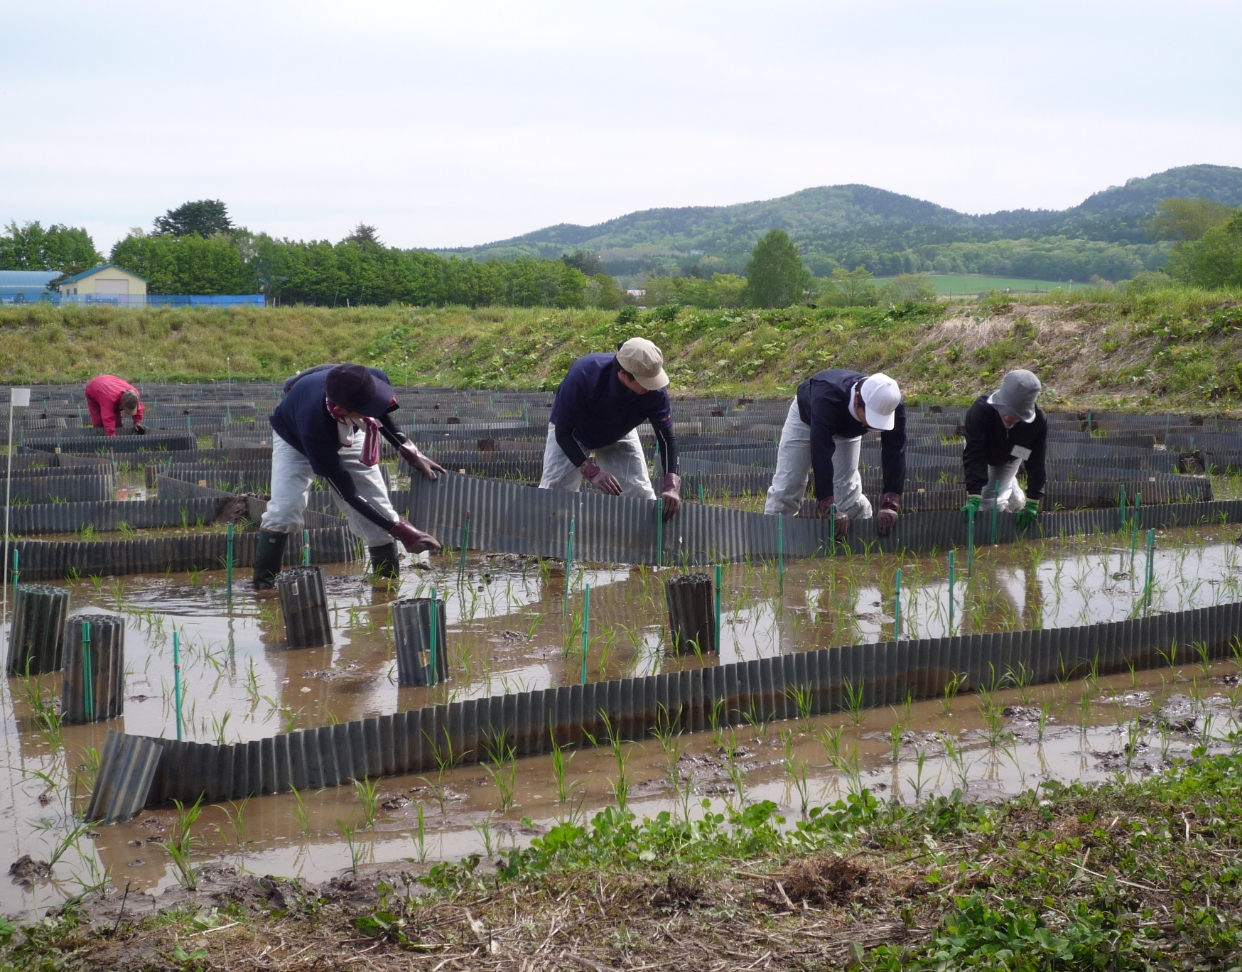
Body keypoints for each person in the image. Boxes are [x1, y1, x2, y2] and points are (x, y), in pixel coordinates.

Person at [253, 363, 444, 590]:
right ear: (343, 409)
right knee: (284, 510)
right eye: (366, 408)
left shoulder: (368, 379)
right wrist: (401, 531)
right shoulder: (313, 426)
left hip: (351, 428)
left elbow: (379, 412)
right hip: (295, 439)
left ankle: (386, 587)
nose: (374, 407)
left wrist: (410, 451)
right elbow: (347, 492)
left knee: (378, 505)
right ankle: (264, 587)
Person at [538, 337, 681, 519]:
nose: (651, 386)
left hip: (618, 432)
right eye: (644, 381)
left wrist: (672, 483)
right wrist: (591, 470)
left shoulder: (655, 391)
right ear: (623, 373)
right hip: (574, 432)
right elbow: (563, 433)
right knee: (555, 496)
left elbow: (667, 438)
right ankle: (553, 544)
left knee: (638, 492)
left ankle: (644, 545)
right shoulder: (583, 375)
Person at [764, 369, 905, 539]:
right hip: (806, 419)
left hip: (847, 432)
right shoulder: (827, 396)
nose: (870, 425)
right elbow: (820, 451)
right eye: (869, 417)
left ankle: (865, 537)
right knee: (788, 484)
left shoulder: (890, 403)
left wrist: (891, 502)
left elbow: (895, 450)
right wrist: (826, 504)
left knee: (846, 493)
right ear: (857, 398)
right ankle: (771, 542)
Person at [961, 369, 1046, 529]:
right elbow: (974, 452)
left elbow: (1036, 460)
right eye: (1004, 411)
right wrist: (974, 493)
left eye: (1014, 415)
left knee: (990, 501)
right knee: (985, 497)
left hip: (1014, 452)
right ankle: (1012, 495)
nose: (1007, 417)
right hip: (983, 449)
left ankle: (1011, 513)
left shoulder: (1038, 422)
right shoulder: (981, 410)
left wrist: (1034, 500)